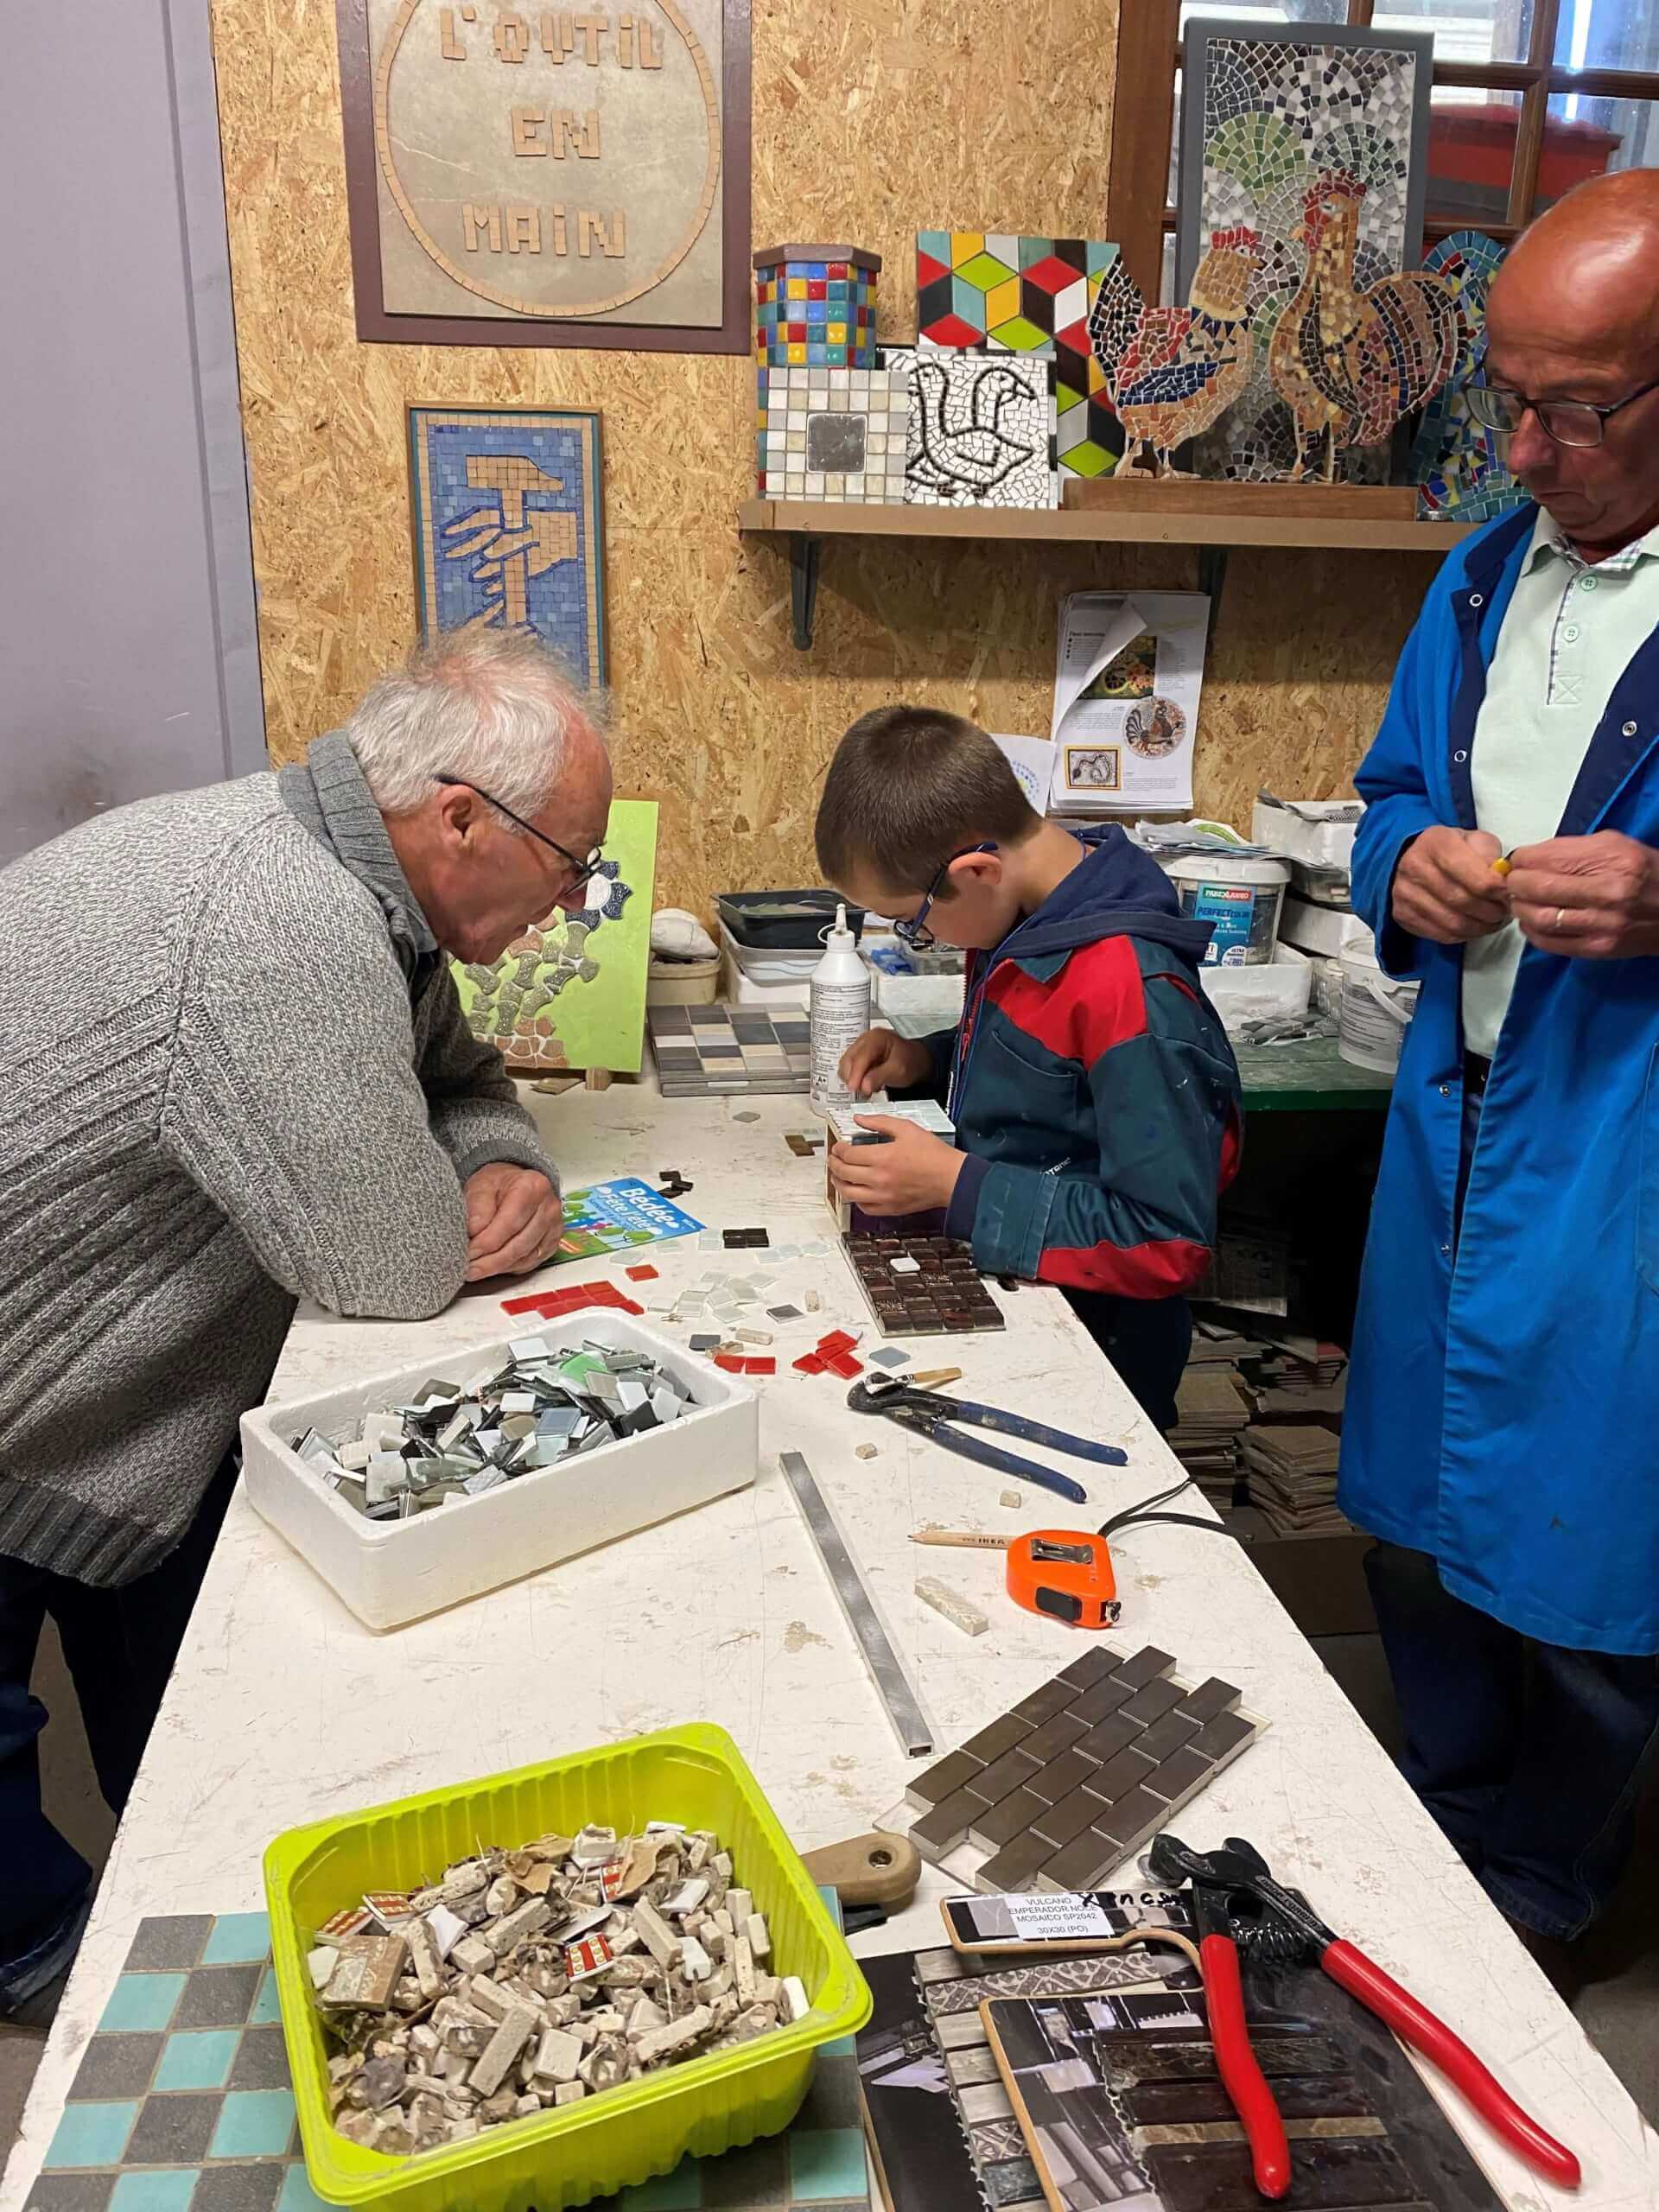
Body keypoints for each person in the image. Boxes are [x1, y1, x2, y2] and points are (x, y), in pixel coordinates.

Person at [0, 628, 610, 2018]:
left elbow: (461, 1068)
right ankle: (58, 1972)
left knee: (179, 1682)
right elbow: (391, 1265)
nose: (578, 905)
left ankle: (186, 1872)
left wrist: (500, 1150)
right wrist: (448, 1178)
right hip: (28, 1380)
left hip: (123, 1392)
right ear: (460, 817)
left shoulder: (349, 874)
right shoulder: (289, 927)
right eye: (571, 863)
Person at [1340, 168, 1659, 1952]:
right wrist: (1408, 863)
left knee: (1594, 1565)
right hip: (1456, 1130)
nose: (1523, 452)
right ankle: (1440, 1822)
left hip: (1624, 1158)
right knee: (1413, 1516)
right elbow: (1391, 793)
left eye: (1577, 412)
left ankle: (1542, 1891)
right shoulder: (1479, 583)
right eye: (1508, 400)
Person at [814, 706, 1241, 1429]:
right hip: (1026, 1301)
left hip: (1099, 1355)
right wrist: (927, 1059)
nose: (918, 938)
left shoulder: (1130, 990)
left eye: (914, 921)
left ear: (975, 871)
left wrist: (957, 1187)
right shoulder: (1027, 916)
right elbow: (1047, 1069)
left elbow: (1166, 1239)